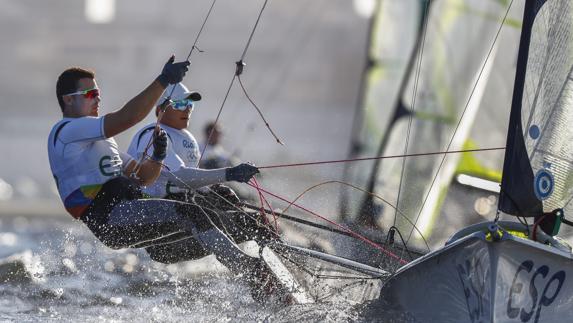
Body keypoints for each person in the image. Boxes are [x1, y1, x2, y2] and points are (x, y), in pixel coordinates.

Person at [47, 56, 248, 260]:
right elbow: (128, 117)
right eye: (90, 94)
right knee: (193, 214)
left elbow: (144, 177)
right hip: (110, 218)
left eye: (98, 93)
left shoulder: (102, 144)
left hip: (131, 208)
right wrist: (163, 80)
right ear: (68, 99)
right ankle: (250, 269)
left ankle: (261, 268)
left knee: (210, 211)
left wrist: (158, 155)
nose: (97, 99)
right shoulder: (66, 131)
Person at [127, 82, 262, 263]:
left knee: (254, 223)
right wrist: (229, 173)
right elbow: (181, 178)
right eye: (181, 104)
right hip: (158, 237)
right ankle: (249, 268)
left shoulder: (187, 139)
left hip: (184, 221)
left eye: (190, 105)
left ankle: (280, 269)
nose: (188, 109)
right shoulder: (154, 134)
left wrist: (216, 191)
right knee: (198, 212)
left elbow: (193, 184)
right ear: (161, 109)